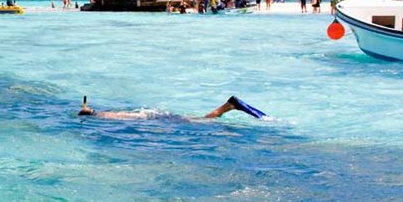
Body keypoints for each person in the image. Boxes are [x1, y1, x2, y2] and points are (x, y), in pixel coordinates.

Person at [77, 96, 266, 120]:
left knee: (201, 121)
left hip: (158, 120)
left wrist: (92, 113)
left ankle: (229, 105)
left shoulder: (102, 115)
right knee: (201, 120)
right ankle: (228, 106)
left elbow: (115, 116)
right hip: (160, 117)